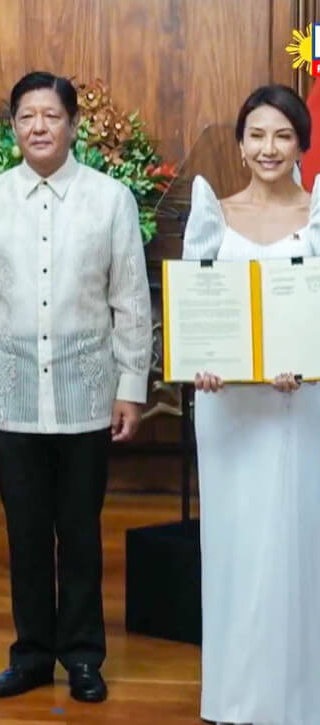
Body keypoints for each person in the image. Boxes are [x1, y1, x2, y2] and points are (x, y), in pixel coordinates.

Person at [0, 71, 151, 703]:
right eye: (27, 117)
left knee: (81, 531)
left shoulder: (111, 199)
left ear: (72, 126)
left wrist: (132, 385)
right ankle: (32, 654)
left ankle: (84, 656)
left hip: (88, 393)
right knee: (26, 532)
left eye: (51, 116)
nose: (39, 127)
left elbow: (131, 301)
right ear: (14, 129)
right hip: (9, 395)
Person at [184, 84, 320, 725]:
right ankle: (234, 699)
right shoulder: (214, 212)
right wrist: (200, 366)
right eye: (257, 135)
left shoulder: (319, 214)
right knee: (236, 547)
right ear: (241, 142)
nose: (269, 148)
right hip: (229, 412)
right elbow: (196, 312)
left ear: (301, 144)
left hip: (300, 410)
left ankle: (299, 699)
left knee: (297, 545)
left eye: (283, 135)